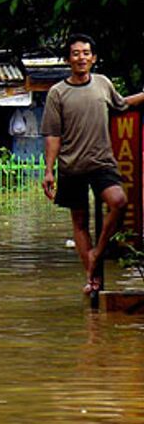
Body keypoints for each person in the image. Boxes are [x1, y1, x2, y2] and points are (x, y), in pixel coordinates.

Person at [40, 33, 144, 293]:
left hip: (102, 163)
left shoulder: (103, 83)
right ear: (68, 59)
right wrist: (49, 170)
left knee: (118, 202)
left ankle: (97, 252)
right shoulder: (57, 93)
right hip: (71, 166)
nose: (81, 58)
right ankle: (91, 277)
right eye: (76, 53)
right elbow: (53, 134)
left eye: (86, 53)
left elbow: (121, 105)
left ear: (93, 58)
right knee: (80, 222)